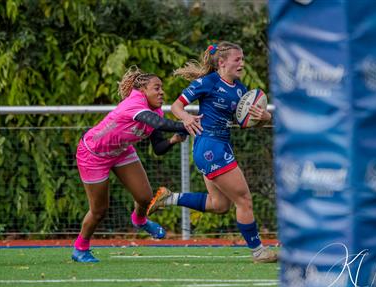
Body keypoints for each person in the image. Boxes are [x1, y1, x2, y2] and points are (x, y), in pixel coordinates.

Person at [148, 41, 278, 263]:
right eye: (237, 59)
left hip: (219, 145)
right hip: (210, 147)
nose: (242, 63)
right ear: (222, 62)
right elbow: (177, 107)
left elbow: (247, 123)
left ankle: (169, 198)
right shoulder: (207, 82)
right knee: (244, 200)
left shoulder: (241, 90)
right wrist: (187, 118)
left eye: (243, 59)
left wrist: (265, 118)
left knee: (219, 205)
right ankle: (258, 252)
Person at [72, 66, 188, 263]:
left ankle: (140, 220)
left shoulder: (156, 111)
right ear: (143, 91)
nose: (161, 92)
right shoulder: (134, 103)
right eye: (156, 88)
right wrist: (188, 123)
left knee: (145, 198)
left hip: (120, 151)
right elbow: (160, 124)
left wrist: (174, 139)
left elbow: (158, 147)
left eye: (162, 88)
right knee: (99, 210)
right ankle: (80, 249)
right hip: (93, 154)